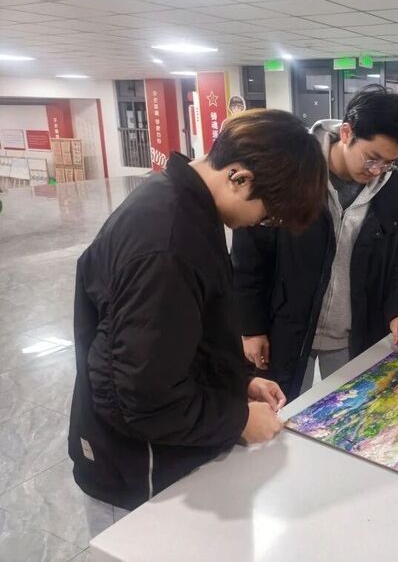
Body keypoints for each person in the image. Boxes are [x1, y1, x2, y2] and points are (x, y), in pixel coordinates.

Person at [69, 109, 328, 510]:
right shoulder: (169, 243)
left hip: (162, 450)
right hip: (140, 471)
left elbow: (183, 336)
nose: (261, 223)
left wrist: (239, 382)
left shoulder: (181, 203)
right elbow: (142, 397)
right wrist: (238, 419)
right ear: (239, 178)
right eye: (268, 215)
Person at [232, 85, 398, 402]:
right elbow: (249, 257)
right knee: (280, 413)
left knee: (351, 415)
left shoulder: (393, 191)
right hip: (285, 331)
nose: (377, 171)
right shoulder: (291, 171)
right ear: (347, 133)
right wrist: (250, 327)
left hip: (353, 335)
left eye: (389, 163)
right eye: (372, 159)